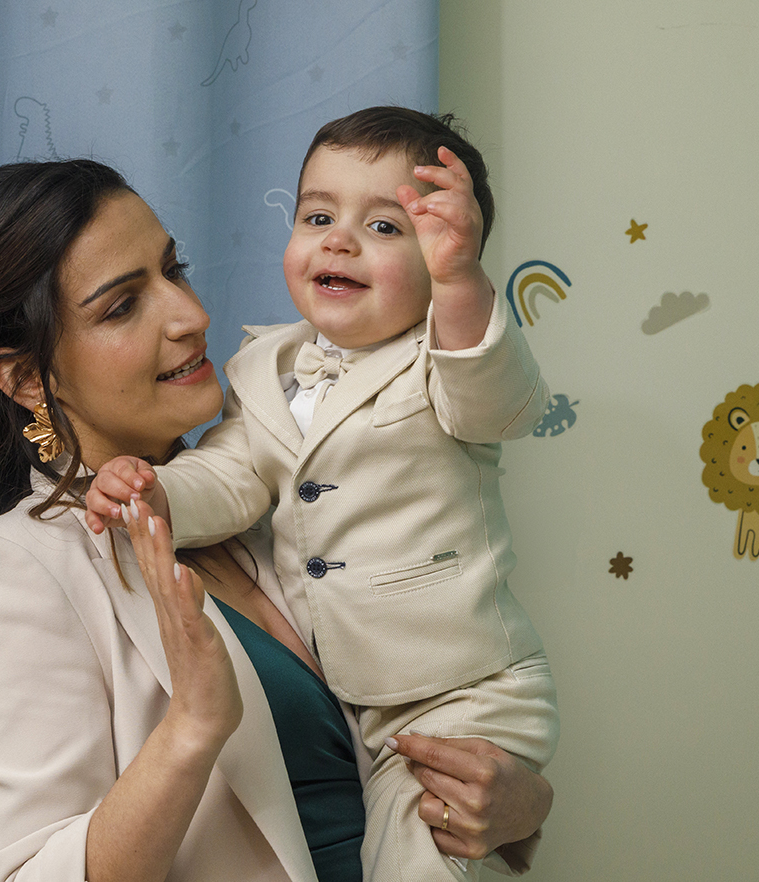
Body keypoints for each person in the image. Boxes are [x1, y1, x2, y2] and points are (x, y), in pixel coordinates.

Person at [0, 158, 554, 882]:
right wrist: (191, 729)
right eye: (122, 306)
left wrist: (516, 810)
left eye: (175, 270)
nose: (191, 316)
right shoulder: (12, 566)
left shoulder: (271, 505)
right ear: (22, 377)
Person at [87, 107, 559, 881]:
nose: (339, 240)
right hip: (356, 703)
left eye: (385, 228)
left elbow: (499, 400)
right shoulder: (264, 367)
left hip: (463, 688)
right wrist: (156, 492)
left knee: (410, 858)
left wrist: (463, 284)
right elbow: (231, 477)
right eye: (318, 215)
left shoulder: (442, 360)